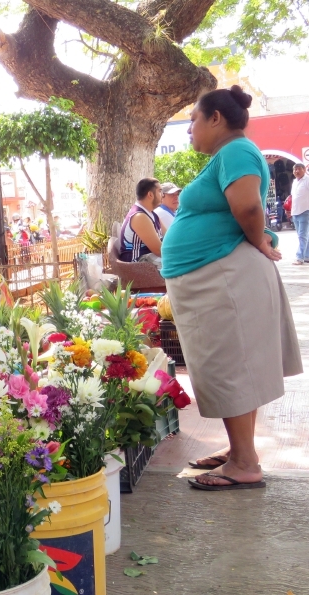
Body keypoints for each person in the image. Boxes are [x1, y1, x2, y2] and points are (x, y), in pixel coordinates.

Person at [161, 85, 302, 491]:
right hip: (216, 276)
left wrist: (259, 238)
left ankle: (244, 463)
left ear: (216, 118)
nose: (189, 129)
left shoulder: (236, 151)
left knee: (229, 367)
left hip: (223, 276)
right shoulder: (229, 154)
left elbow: (247, 206)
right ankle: (241, 452)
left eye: (193, 120)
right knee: (232, 367)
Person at [118, 178, 163, 264]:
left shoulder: (152, 214)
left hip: (148, 259)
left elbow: (169, 235)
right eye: (160, 191)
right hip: (136, 263)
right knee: (180, 264)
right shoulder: (139, 217)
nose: (162, 195)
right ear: (150, 194)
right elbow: (159, 250)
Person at [290, 162, 309, 264]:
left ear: (304, 170)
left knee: (302, 235)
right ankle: (307, 256)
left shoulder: (307, 180)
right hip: (295, 212)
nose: (296, 171)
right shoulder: (294, 182)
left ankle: (299, 257)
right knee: (302, 235)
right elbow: (294, 197)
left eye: (299, 169)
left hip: (305, 211)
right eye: (295, 169)